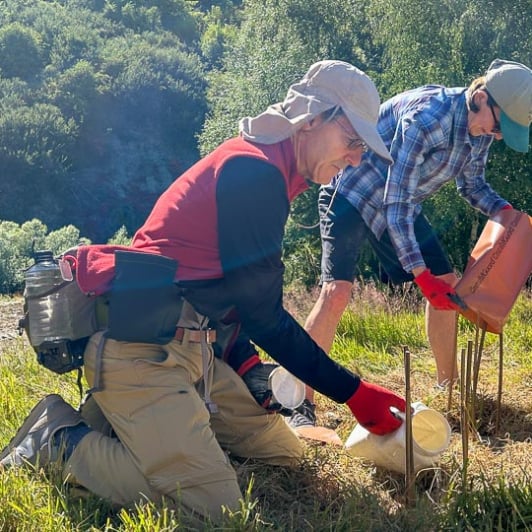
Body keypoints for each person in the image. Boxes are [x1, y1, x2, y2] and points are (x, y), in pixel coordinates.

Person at [0, 60, 406, 522]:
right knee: (217, 507)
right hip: (142, 353)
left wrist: (250, 369)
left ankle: (129, 426)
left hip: (194, 352)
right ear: (313, 118)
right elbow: (263, 314)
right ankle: (58, 440)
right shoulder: (253, 173)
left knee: (283, 452)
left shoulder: (271, 169)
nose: (356, 157)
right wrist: (352, 392)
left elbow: (225, 296)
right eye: (353, 141)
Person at [291, 58, 532, 429]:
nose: (496, 136)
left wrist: (507, 214)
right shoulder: (426, 118)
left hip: (400, 204)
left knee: (447, 283)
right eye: (499, 126)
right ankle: (299, 403)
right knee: (336, 291)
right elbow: (396, 202)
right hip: (351, 192)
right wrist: (419, 274)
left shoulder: (479, 132)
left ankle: (447, 387)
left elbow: (472, 186)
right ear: (482, 97)